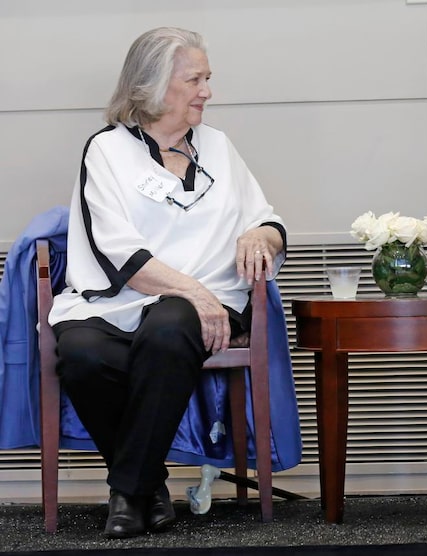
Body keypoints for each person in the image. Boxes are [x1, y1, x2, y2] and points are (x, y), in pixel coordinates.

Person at [48, 27, 288, 538]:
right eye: (195, 79)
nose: (207, 90)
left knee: (169, 323)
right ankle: (146, 485)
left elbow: (269, 220)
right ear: (152, 86)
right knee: (84, 354)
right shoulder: (107, 151)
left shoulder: (219, 147)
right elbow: (118, 250)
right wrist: (192, 292)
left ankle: (127, 493)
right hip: (118, 300)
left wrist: (259, 237)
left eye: (207, 78)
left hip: (210, 300)